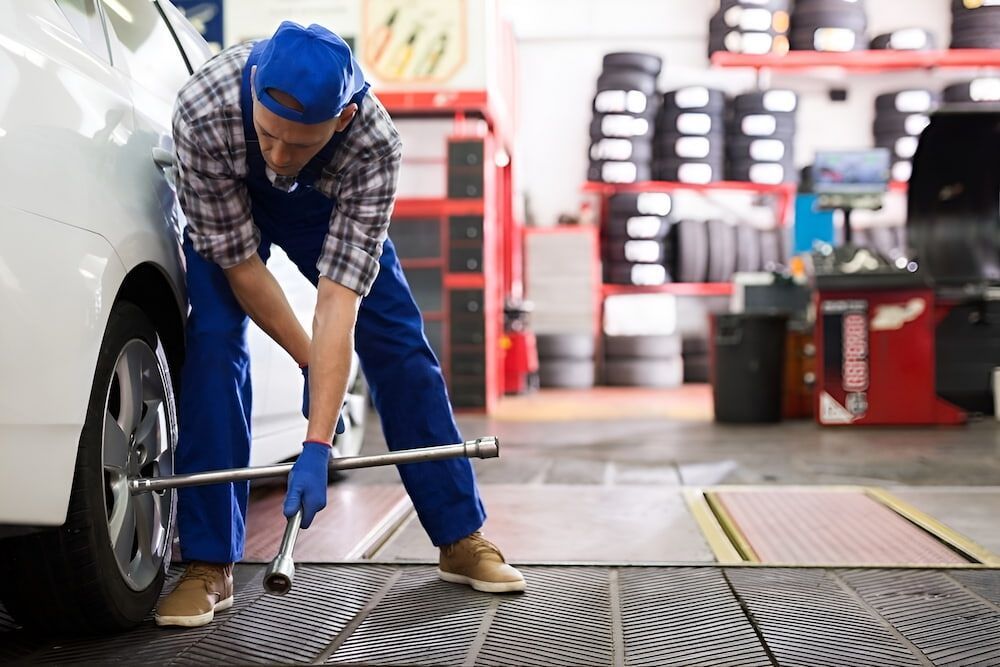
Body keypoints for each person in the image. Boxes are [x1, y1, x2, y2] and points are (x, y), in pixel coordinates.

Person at [154, 21, 525, 629]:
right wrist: (309, 361)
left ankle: (460, 536)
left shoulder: (374, 145)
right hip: (229, 210)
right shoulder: (204, 108)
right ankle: (207, 564)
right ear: (252, 89)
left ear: (343, 120)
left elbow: (337, 304)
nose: (277, 159)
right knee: (216, 340)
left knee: (398, 341)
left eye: (298, 145)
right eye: (268, 135)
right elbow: (244, 272)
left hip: (322, 210)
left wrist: (318, 443)